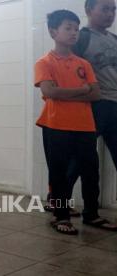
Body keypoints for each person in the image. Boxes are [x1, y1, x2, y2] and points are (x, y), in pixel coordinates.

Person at [35, 10, 109, 235]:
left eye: (76, 29)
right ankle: (60, 216)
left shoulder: (83, 64)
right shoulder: (44, 62)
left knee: (90, 172)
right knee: (58, 173)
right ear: (53, 32)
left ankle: (91, 214)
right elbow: (49, 91)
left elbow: (96, 94)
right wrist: (81, 90)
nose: (74, 33)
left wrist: (64, 92)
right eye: (68, 28)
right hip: (55, 124)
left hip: (85, 125)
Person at [65, 0, 117, 231]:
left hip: (115, 105)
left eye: (114, 9)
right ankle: (60, 203)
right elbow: (68, 70)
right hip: (94, 105)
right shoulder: (81, 38)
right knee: (80, 159)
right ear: (88, 11)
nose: (110, 13)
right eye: (104, 8)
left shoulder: (114, 40)